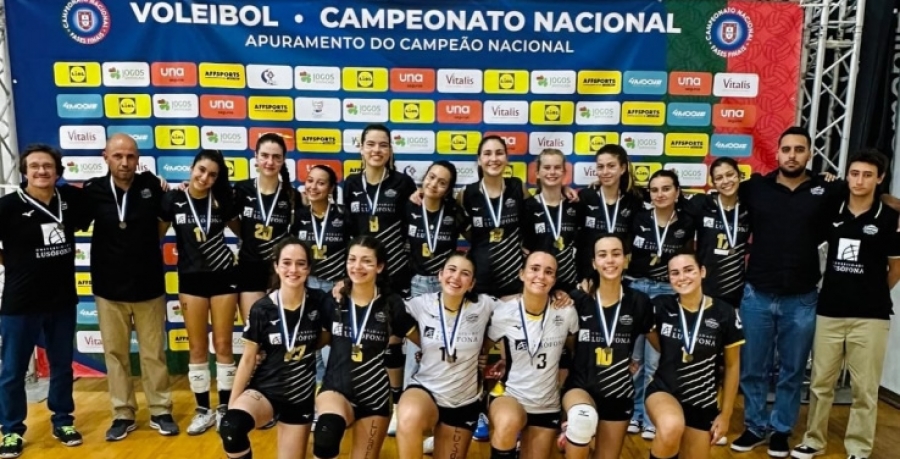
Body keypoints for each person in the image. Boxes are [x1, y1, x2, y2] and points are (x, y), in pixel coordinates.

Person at [730, 127, 845, 457]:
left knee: (792, 370)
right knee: (753, 368)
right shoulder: (755, 188)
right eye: (786, 149)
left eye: (799, 149)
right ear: (777, 153)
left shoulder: (827, 189)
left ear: (810, 153)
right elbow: (716, 201)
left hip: (802, 297)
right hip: (757, 295)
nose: (792, 155)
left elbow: (868, 197)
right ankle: (755, 426)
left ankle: (781, 430)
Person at [790, 150, 900, 459]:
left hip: (871, 317)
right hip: (829, 312)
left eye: (867, 175)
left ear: (879, 179)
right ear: (847, 176)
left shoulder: (889, 218)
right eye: (854, 173)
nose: (859, 181)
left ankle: (858, 449)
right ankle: (814, 440)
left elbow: (896, 268)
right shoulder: (831, 210)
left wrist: (871, 292)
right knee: (820, 383)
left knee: (864, 389)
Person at [82, 134, 178, 440]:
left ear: (138, 159)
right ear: (105, 157)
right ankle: (122, 413)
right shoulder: (93, 191)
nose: (125, 162)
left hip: (148, 286)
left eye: (130, 156)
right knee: (115, 354)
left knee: (153, 354)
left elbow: (163, 223)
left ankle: (160, 410)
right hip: (108, 289)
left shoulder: (152, 185)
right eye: (118, 156)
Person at [0, 144, 90, 458]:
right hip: (20, 303)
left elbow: (105, 194)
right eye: (35, 166)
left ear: (57, 171)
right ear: (25, 171)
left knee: (62, 366)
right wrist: (13, 263)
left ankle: (63, 420)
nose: (42, 171)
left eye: (48, 166)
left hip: (61, 300)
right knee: (12, 371)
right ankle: (11, 429)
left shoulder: (71, 200)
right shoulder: (8, 206)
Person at [218, 237, 329, 459]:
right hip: (265, 391)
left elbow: (325, 338)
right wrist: (232, 407)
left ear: (308, 269)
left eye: (300, 263)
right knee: (231, 428)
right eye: (286, 263)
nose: (293, 270)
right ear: (276, 266)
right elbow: (248, 359)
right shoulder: (262, 309)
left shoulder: (320, 302)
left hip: (299, 398)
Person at [159, 149, 238, 435]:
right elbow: (155, 235)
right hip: (191, 280)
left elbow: (245, 233)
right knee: (197, 347)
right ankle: (203, 411)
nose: (205, 178)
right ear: (192, 168)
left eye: (212, 174)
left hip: (223, 278)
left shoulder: (222, 200)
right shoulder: (173, 199)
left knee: (224, 345)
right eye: (201, 170)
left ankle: (225, 408)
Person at [312, 236, 409, 459]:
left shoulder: (392, 304)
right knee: (326, 433)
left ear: (379, 266)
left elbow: (423, 339)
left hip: (375, 396)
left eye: (366, 261)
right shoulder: (334, 300)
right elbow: (317, 341)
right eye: (352, 259)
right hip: (336, 389)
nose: (357, 266)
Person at [560, 234, 655, 459]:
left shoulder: (639, 302)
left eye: (616, 254)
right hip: (581, 386)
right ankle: (572, 429)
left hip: (618, 391)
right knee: (582, 419)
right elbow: (566, 343)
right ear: (594, 263)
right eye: (602, 255)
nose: (610, 260)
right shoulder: (578, 299)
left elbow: (659, 344)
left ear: (625, 259)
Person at [645, 251, 744, 459]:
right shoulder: (660, 306)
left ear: (702, 272)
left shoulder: (724, 313)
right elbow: (652, 337)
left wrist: (726, 415)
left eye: (689, 270)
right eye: (675, 273)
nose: (682, 277)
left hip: (702, 400)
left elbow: (732, 366)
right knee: (671, 426)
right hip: (665, 391)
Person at [394, 251, 492, 459]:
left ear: (472, 284)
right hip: (426, 390)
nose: (456, 277)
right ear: (440, 275)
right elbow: (384, 306)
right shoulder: (421, 303)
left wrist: (490, 352)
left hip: (463, 401)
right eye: (451, 270)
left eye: (465, 274)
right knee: (409, 416)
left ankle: (435, 441)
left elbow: (520, 308)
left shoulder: (484, 305)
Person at [486, 251, 579, 459]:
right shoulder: (504, 312)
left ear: (554, 279)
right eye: (534, 269)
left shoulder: (566, 312)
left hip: (547, 404)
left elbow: (576, 352)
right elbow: (482, 349)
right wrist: (491, 367)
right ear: (522, 274)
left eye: (549, 272)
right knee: (508, 421)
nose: (541, 276)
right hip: (510, 395)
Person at [628, 170, 696, 440]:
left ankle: (650, 418)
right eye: (654, 190)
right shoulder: (639, 218)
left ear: (677, 192)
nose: (660, 194)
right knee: (634, 359)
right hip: (637, 289)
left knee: (655, 360)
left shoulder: (687, 222)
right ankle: (633, 413)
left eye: (666, 188)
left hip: (667, 292)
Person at [231, 133, 297, 321]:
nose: (270, 162)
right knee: (253, 329)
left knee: (280, 330)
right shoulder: (242, 189)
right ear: (256, 157)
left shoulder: (291, 195)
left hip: (280, 271)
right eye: (265, 155)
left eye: (276, 157)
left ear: (283, 160)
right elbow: (230, 219)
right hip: (249, 267)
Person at [294, 165, 348, 386]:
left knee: (334, 340)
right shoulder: (299, 215)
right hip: (307, 285)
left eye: (321, 182)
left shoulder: (343, 215)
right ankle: (316, 386)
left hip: (336, 286)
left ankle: (334, 388)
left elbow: (355, 249)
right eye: (310, 180)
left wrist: (346, 280)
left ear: (331, 188)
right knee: (310, 338)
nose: (313, 187)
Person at [682, 157, 751, 308]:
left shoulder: (749, 209)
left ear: (739, 176)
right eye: (719, 178)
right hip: (704, 289)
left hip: (736, 290)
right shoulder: (702, 204)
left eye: (730, 175)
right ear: (713, 183)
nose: (726, 181)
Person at [576, 144, 641, 282]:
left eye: (611, 166)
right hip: (589, 274)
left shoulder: (634, 200)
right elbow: (579, 240)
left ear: (622, 168)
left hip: (622, 275)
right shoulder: (585, 197)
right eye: (600, 167)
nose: (605, 172)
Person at [523, 149, 579, 292]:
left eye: (557, 168)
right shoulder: (527, 207)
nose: (552, 172)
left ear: (564, 172)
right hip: (539, 286)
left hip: (570, 286)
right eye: (547, 167)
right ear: (537, 173)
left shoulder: (575, 205)